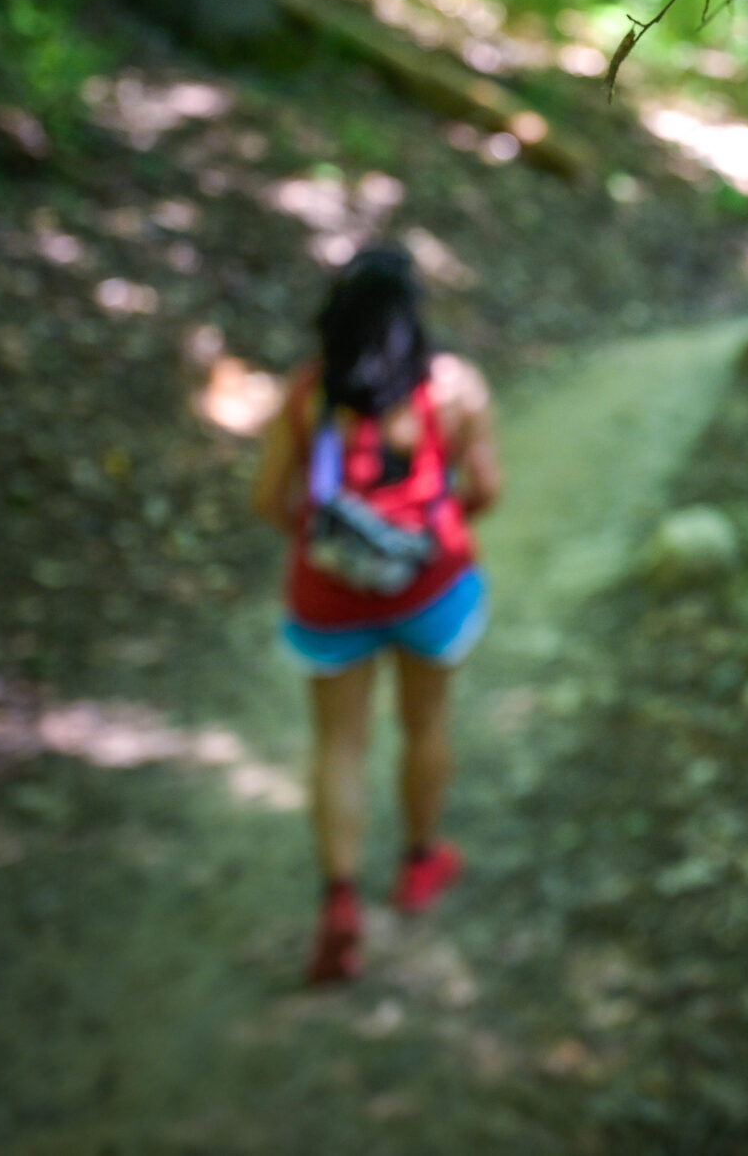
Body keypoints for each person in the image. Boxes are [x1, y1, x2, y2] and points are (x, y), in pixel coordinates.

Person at [251, 244, 500, 984]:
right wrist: (423, 527)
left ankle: (339, 902)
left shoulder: (306, 395)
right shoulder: (453, 391)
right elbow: (485, 488)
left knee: (340, 744)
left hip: (328, 601)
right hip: (431, 587)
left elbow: (270, 502)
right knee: (425, 725)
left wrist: (335, 546)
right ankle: (421, 862)